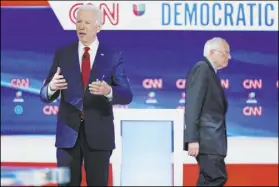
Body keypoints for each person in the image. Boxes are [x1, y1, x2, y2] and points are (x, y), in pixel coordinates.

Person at [40, 4, 133, 186]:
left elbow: (127, 95)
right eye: (78, 22)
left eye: (87, 23)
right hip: (68, 136)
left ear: (98, 26)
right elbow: (44, 95)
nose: (81, 27)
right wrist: (51, 87)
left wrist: (109, 91)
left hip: (99, 136)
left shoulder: (113, 56)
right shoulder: (63, 54)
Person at [184, 37, 231, 186]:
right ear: (212, 52)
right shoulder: (202, 68)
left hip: (212, 141)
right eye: (225, 53)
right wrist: (192, 139)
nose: (229, 57)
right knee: (215, 178)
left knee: (209, 179)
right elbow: (193, 104)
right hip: (207, 140)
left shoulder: (211, 72)